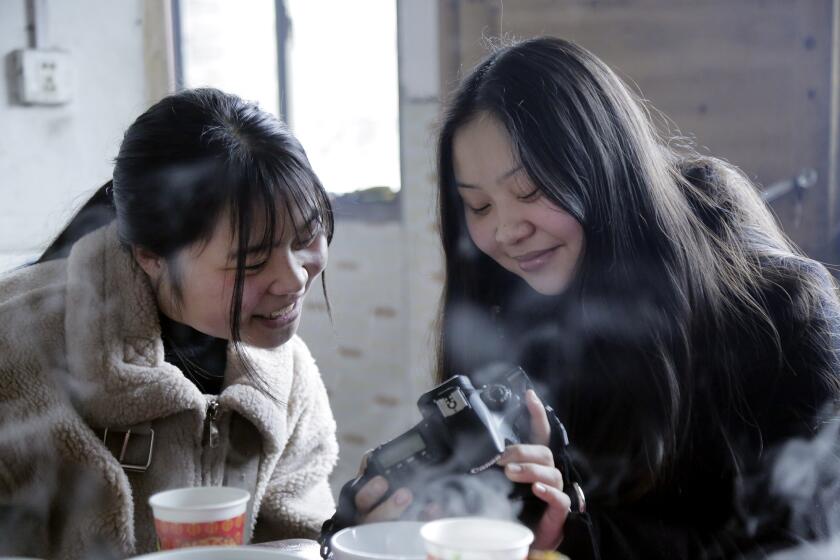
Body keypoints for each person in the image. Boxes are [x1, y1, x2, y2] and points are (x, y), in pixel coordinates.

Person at [354, 37, 840, 558]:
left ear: (607, 171)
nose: (505, 230)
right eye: (477, 206)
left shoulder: (784, 315)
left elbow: (798, 545)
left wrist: (579, 535)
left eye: (530, 191)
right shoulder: (512, 313)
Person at [0, 88, 338, 559]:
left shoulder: (287, 374)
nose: (294, 278)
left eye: (307, 236)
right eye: (252, 261)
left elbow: (293, 535)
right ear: (152, 256)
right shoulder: (16, 346)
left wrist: (349, 528)